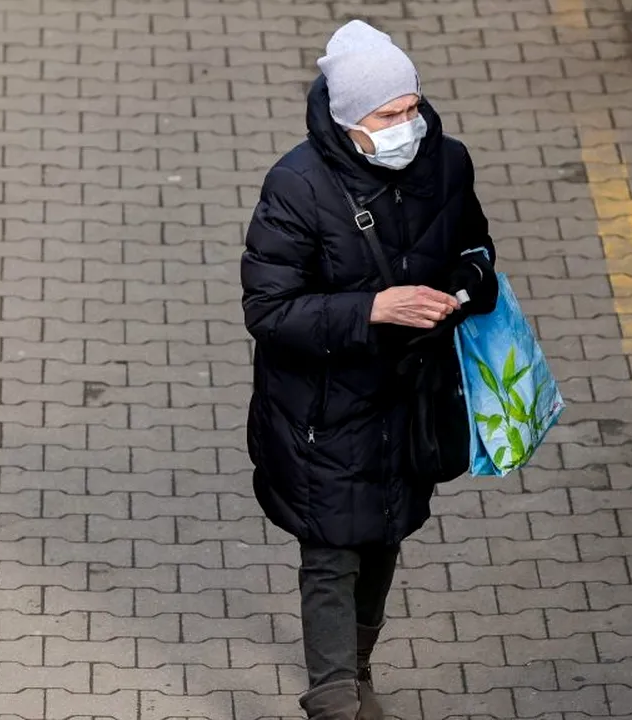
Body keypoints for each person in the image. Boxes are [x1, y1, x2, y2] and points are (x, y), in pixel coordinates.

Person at [240, 19, 498, 720]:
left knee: (383, 534)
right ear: (351, 120)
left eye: (412, 107)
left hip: (409, 403)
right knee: (330, 553)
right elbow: (268, 310)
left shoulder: (448, 163)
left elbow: (474, 248)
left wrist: (466, 289)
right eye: (390, 114)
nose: (407, 125)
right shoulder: (296, 187)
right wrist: (373, 309)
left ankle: (356, 669)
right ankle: (335, 702)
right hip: (321, 411)